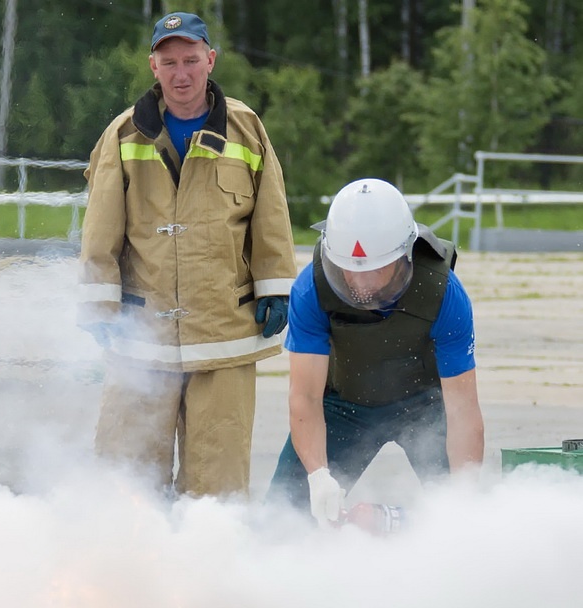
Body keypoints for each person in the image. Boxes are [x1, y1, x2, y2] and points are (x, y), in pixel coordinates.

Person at [78, 11, 297, 498]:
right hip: (142, 340)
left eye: (191, 60)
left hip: (224, 335)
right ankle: (128, 568)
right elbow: (100, 233)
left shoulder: (246, 128)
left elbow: (271, 217)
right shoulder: (123, 134)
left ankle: (206, 569)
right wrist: (98, 305)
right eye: (169, 61)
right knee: (127, 476)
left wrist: (276, 288)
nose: (181, 73)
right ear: (153, 66)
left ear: (210, 60)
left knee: (217, 484)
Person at [268, 177, 485, 525]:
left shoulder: (445, 294)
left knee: (458, 512)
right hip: (344, 407)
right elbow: (305, 397)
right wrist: (318, 477)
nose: (361, 286)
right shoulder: (310, 289)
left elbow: (462, 410)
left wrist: (465, 497)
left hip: (425, 406)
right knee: (281, 517)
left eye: (374, 270)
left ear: (404, 255)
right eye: (349, 272)